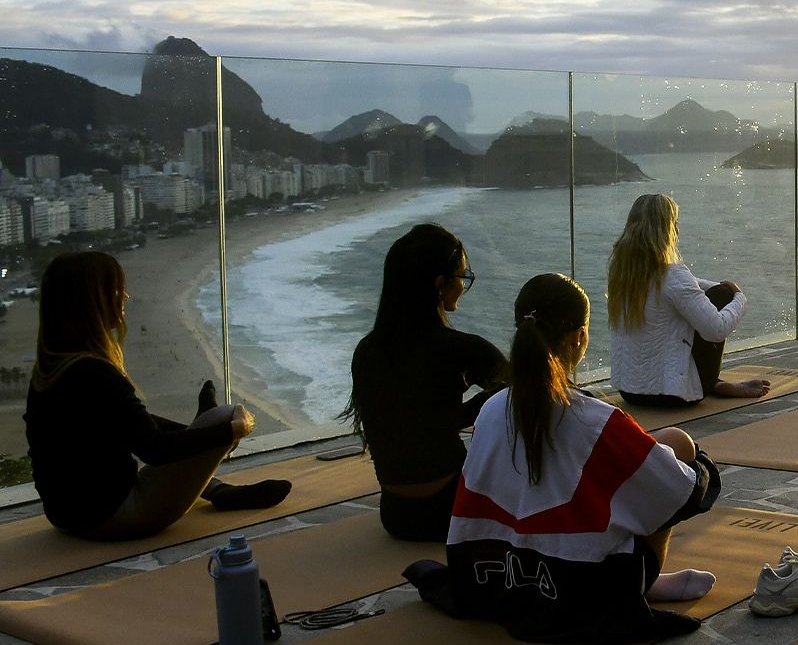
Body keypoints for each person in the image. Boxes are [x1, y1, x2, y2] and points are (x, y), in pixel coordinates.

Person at [405, 273, 722, 643]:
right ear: (579, 338)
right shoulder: (596, 420)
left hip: (487, 573)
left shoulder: (491, 410)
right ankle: (641, 583)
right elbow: (679, 491)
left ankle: (639, 578)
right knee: (676, 444)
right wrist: (700, 467)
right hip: (578, 583)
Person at [24, 251, 288, 539]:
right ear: (90, 303)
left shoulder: (53, 369)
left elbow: (134, 423)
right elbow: (155, 449)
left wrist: (195, 432)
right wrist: (230, 431)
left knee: (198, 431)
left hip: (67, 514)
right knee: (224, 414)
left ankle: (221, 491)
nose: (125, 297)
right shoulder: (97, 374)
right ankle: (219, 484)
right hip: (114, 516)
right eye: (115, 289)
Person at [346, 224, 510, 541]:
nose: (463, 285)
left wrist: (473, 406)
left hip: (396, 516)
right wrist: (488, 400)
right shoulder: (462, 348)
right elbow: (527, 395)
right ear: (440, 284)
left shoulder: (366, 352)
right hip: (453, 512)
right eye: (462, 278)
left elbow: (418, 421)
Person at [607, 193, 770, 410]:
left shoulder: (621, 273)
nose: (677, 230)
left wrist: (712, 286)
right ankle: (710, 384)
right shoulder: (673, 275)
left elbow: (682, 285)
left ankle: (716, 385)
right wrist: (739, 298)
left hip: (630, 392)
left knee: (715, 293)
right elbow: (716, 329)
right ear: (666, 230)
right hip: (671, 397)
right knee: (722, 297)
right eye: (674, 223)